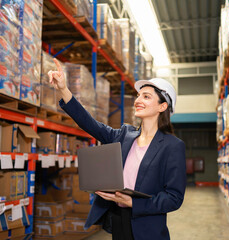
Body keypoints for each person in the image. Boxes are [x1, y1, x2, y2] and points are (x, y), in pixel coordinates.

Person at [49, 59, 186, 240]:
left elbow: (174, 198)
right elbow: (90, 124)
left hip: (148, 228)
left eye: (146, 96)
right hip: (119, 222)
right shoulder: (124, 135)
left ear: (162, 106)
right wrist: (63, 89)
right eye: (138, 96)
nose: (138, 100)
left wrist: (134, 203)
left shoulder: (172, 146)